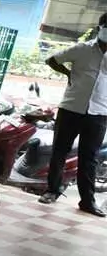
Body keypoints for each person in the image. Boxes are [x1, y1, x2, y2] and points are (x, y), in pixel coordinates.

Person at [40, 23, 107, 217]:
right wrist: (68, 73)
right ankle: (52, 191)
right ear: (100, 28)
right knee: (60, 151)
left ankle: (87, 201)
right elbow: (52, 59)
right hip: (71, 108)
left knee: (90, 159)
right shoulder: (82, 49)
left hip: (99, 114)